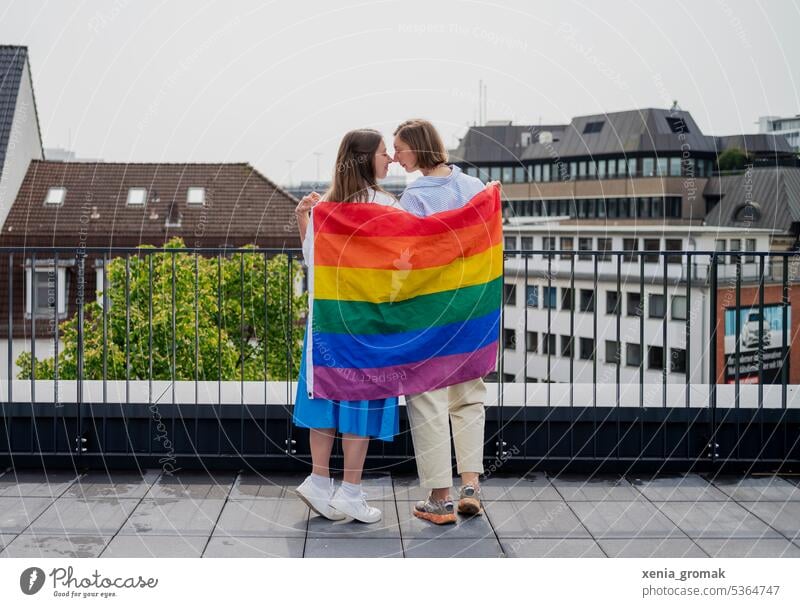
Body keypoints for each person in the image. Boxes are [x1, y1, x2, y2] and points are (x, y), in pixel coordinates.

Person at [293, 128, 400, 523]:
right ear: (365, 159)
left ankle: (319, 482)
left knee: (325, 393)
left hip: (327, 322)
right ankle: (350, 492)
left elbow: (313, 261)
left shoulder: (326, 208)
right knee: (362, 400)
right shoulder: (388, 207)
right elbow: (407, 259)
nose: (389, 159)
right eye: (384, 153)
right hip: (369, 322)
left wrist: (302, 217)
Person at [393, 118, 494, 524]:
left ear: (418, 148)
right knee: (469, 397)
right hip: (472, 307)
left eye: (399, 148)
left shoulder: (414, 196)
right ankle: (471, 486)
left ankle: (441, 500)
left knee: (428, 398)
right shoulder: (475, 188)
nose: (396, 156)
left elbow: (406, 253)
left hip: (431, 310)